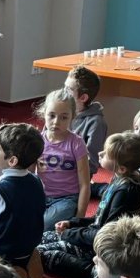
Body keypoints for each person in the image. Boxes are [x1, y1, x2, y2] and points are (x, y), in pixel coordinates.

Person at [37, 133, 140, 278]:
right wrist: (73, 223)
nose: (100, 153)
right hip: (95, 237)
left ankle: (92, 272)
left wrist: (69, 234)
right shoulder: (120, 180)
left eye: (106, 154)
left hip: (102, 247)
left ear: (121, 168)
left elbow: (106, 234)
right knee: (40, 238)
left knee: (39, 252)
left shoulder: (125, 192)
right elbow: (100, 219)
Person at [0, 122, 47, 277]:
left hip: (2, 253)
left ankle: (7, 270)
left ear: (12, 161)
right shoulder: (37, 181)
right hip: (27, 247)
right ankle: (27, 261)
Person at [36, 88, 91, 230]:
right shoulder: (37, 140)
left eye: (64, 117)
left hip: (66, 199)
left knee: (43, 225)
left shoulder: (77, 143)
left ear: (72, 117)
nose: (56, 122)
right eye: (51, 115)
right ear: (44, 114)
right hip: (40, 196)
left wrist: (79, 218)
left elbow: (85, 184)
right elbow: (28, 174)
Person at [65, 65, 108, 182]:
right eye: (64, 87)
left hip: (75, 177)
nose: (63, 93)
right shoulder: (60, 111)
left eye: (68, 90)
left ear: (83, 97)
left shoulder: (96, 123)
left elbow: (92, 163)